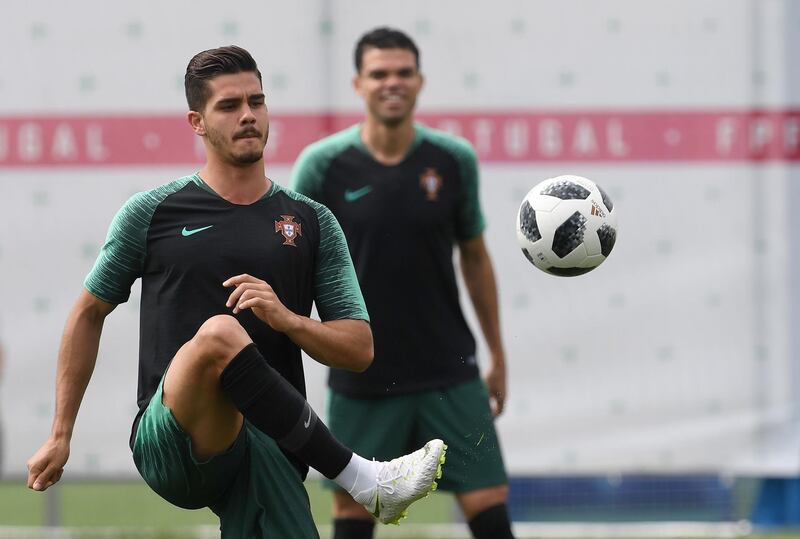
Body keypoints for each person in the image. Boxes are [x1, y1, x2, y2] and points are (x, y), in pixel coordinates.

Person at [25, 45, 446, 538]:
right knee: (221, 333)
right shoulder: (152, 212)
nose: (248, 115)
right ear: (197, 121)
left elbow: (358, 350)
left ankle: (357, 480)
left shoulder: (312, 221)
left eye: (257, 102)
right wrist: (60, 435)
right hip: (174, 443)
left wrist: (287, 318)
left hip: (273, 445)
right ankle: (360, 476)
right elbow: (87, 313)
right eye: (229, 106)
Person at [291, 28, 514, 539]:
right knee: (353, 509)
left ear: (420, 81)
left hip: (449, 369)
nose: (392, 83)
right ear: (358, 84)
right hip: (362, 370)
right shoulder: (322, 166)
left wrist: (497, 354)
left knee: (487, 500)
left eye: (402, 73)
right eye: (379, 73)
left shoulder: (453, 160)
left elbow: (475, 258)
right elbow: (292, 261)